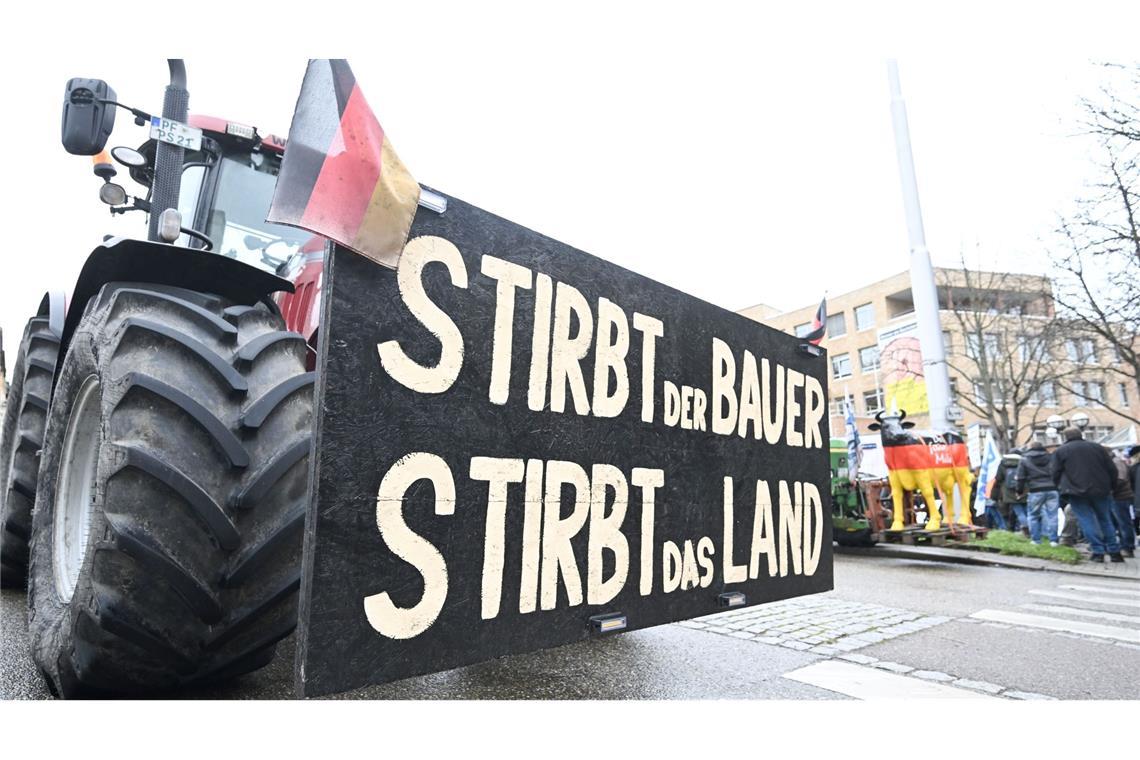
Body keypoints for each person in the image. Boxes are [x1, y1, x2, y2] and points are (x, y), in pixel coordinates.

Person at [1051, 427, 1122, 562]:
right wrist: (1112, 486)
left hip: (1076, 491)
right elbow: (1112, 469)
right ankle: (1114, 551)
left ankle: (1098, 551)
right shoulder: (1097, 448)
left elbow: (1055, 472)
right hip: (1101, 489)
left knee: (1086, 520)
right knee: (1105, 520)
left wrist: (1060, 488)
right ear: (1081, 434)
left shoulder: (1061, 451)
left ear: (1065, 437)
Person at [1016, 441, 1060, 545]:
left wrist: (1019, 491)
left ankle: (1036, 540)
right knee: (1053, 515)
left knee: (1033, 515)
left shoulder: (1024, 459)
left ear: (1030, 448)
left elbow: (1020, 478)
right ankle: (1053, 541)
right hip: (1052, 488)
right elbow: (1057, 471)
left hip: (1035, 490)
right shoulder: (1051, 457)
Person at [1110, 448, 1136, 558]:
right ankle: (1124, 545)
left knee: (1123, 522)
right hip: (1118, 496)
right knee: (1120, 522)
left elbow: (1121, 478)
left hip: (1120, 496)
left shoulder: (1116, 462)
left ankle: (1127, 546)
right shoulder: (1116, 461)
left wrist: (1111, 490)